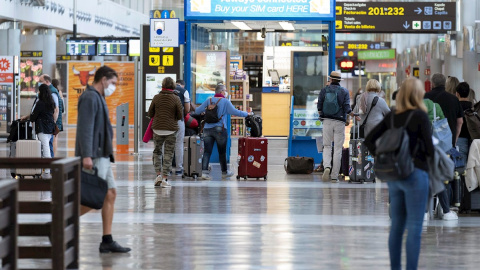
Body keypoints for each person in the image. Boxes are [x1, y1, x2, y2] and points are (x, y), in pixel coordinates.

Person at [365, 77, 434, 270]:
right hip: (416, 174)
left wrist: (383, 157)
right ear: (418, 95)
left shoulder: (393, 115)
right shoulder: (420, 116)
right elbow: (430, 149)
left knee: (396, 227)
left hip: (395, 176)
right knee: (414, 227)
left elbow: (369, 140)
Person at [75, 66, 131, 253]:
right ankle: (61, 220)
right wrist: (87, 156)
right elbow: (85, 128)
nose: (113, 87)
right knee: (94, 198)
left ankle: (107, 239)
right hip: (95, 155)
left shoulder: (99, 97)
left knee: (110, 193)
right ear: (103, 79)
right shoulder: (90, 97)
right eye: (113, 83)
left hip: (103, 155)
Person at [424, 73, 463, 220]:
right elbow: (460, 122)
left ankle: (426, 210)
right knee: (445, 176)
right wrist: (454, 140)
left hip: (425, 144)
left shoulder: (424, 98)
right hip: (445, 144)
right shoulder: (453, 99)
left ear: (432, 84)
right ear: (444, 84)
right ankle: (446, 209)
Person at [195, 83, 249, 180]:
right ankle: (224, 172)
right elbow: (235, 112)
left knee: (207, 151)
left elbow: (197, 111)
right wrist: (247, 114)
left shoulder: (209, 100)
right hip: (220, 129)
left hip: (207, 129)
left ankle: (204, 172)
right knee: (222, 152)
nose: (226, 92)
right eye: (225, 90)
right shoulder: (225, 101)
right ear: (221, 92)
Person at [317, 71, 352, 183]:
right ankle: (334, 176)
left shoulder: (324, 90)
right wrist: (351, 116)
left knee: (327, 146)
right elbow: (347, 108)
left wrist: (322, 115)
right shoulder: (344, 91)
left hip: (327, 120)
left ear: (331, 79)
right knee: (337, 148)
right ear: (339, 80)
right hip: (339, 122)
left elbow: (319, 106)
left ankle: (327, 166)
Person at [148, 77, 183, 187]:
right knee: (168, 153)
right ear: (173, 86)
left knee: (157, 152)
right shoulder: (176, 98)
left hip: (157, 128)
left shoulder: (156, 97)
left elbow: (150, 113)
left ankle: (158, 175)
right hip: (171, 130)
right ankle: (165, 179)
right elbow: (180, 115)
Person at [21, 84, 56, 177]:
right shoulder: (51, 102)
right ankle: (45, 168)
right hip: (50, 129)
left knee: (45, 150)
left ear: (41, 92)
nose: (38, 92)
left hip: (42, 129)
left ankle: (47, 170)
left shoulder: (40, 103)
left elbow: (33, 116)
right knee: (46, 147)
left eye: (39, 91)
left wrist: (30, 118)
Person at [38, 74, 60, 158]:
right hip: (48, 123)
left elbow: (56, 109)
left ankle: (49, 167)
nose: (39, 83)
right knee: (49, 144)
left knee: (49, 145)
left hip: (49, 124)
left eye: (40, 81)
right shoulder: (47, 92)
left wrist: (53, 123)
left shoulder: (52, 92)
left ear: (47, 82)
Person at [173, 79, 191, 176]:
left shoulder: (167, 90)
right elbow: (187, 108)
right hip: (179, 120)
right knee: (179, 143)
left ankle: (167, 169)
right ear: (182, 85)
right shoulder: (184, 91)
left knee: (167, 143)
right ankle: (179, 169)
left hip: (167, 121)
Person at [456, 82, 472, 163]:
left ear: (457, 94)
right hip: (472, 139)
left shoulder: (456, 106)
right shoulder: (473, 106)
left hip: (460, 138)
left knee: (460, 167)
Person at [51, 78, 65, 155]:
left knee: (52, 139)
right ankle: (54, 154)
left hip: (54, 118)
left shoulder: (52, 92)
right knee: (55, 138)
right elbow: (63, 107)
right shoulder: (60, 92)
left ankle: (52, 154)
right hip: (59, 118)